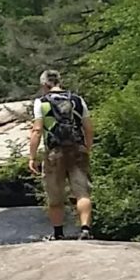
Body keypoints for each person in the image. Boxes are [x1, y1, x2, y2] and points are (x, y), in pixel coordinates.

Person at [31, 69, 94, 240]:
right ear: (60, 81)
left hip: (54, 153)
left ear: (45, 84)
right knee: (82, 193)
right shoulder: (77, 100)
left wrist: (32, 157)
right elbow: (88, 128)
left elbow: (37, 130)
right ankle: (85, 230)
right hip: (78, 150)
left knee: (55, 195)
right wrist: (87, 147)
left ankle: (58, 233)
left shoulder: (41, 103)